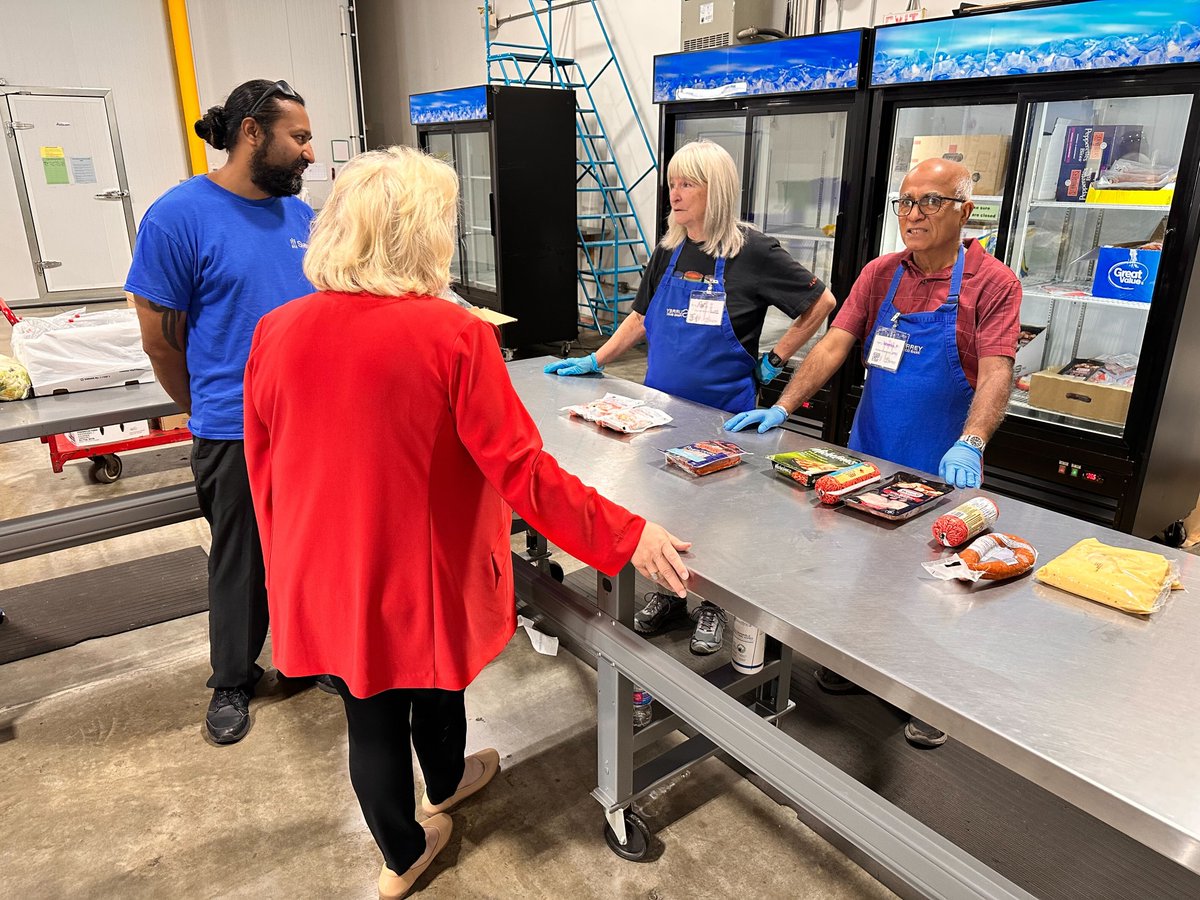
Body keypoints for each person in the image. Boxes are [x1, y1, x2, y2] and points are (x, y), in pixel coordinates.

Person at [242, 146, 692, 899]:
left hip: (323, 559)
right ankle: (439, 796)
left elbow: (266, 464)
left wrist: (288, 562)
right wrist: (624, 533)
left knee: (369, 708)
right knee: (434, 673)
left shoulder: (277, 330)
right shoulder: (454, 334)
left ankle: (402, 848)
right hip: (418, 564)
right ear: (420, 234)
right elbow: (522, 472)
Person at [725, 158, 1021, 748]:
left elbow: (996, 373)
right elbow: (834, 344)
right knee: (867, 571)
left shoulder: (993, 284)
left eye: (929, 202)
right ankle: (865, 666)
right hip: (871, 457)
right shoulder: (882, 274)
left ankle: (931, 694)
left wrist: (972, 441)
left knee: (940, 584)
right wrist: (785, 406)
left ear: (964, 209)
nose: (912, 215)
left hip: (942, 465)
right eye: (905, 202)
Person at [546, 139, 835, 656]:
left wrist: (779, 355)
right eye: (672, 183)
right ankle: (672, 594)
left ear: (716, 191)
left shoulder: (754, 251)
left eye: (687, 184)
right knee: (664, 510)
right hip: (657, 413)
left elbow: (822, 302)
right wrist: (598, 361)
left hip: (724, 418)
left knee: (719, 519)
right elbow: (640, 317)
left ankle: (714, 605)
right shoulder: (668, 250)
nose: (674, 194)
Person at [126, 79, 328, 746]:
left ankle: (311, 655)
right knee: (241, 562)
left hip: (312, 426)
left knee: (311, 552)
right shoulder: (179, 216)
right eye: (297, 137)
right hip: (234, 427)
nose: (309, 151)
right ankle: (234, 680)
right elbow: (160, 339)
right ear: (252, 133)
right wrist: (207, 407)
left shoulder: (300, 219)